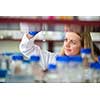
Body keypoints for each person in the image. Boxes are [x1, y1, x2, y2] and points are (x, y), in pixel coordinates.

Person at [19, 28, 98, 71]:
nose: (66, 45)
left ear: (83, 46)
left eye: (73, 42)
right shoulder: (52, 59)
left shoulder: (92, 66)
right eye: (66, 40)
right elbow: (26, 49)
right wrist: (30, 34)